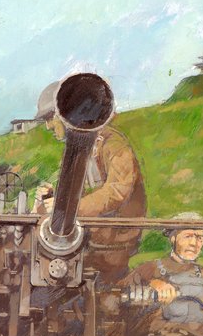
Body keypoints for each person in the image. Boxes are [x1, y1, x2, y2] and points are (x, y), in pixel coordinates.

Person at [43, 120, 148, 283]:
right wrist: (56, 196)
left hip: (116, 239)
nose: (48, 126)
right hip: (93, 235)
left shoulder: (114, 145)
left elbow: (117, 192)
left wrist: (71, 208)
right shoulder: (76, 148)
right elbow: (77, 192)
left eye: (50, 117)